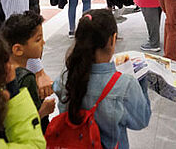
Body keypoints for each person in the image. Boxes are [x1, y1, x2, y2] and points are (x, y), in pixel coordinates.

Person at [53, 9, 151, 149]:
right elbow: (141, 120)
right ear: (112, 39)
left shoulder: (67, 75)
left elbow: (57, 90)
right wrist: (141, 81)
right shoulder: (126, 84)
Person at [1, 12, 56, 132]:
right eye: (38, 39)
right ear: (18, 49)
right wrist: (44, 110)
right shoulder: (26, 78)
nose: (43, 43)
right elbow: (28, 120)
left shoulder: (1, 70)